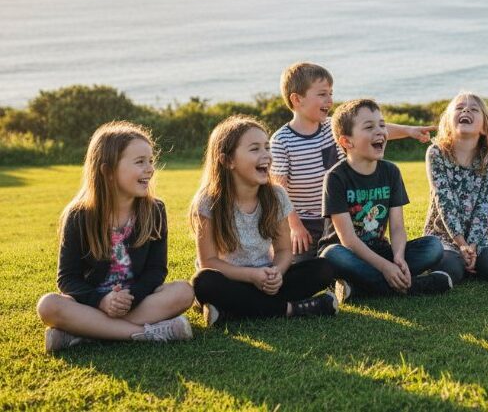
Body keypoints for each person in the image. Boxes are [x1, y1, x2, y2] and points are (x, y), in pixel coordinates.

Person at [36, 122, 194, 352]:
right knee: (48, 306)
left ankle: (85, 334)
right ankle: (145, 334)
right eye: (140, 162)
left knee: (183, 292)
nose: (150, 169)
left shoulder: (155, 210)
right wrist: (101, 301)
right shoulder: (79, 216)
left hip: (137, 301)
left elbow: (156, 271)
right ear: (107, 171)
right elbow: (67, 279)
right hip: (94, 304)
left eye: (151, 161)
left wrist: (131, 297)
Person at [270, 62, 434, 262]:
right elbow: (279, 190)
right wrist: (295, 226)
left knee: (351, 256)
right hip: (306, 223)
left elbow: (372, 130)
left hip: (348, 217)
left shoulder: (331, 126)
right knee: (304, 267)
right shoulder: (281, 141)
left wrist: (409, 131)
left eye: (331, 93)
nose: (330, 100)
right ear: (297, 99)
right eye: (322, 94)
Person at [191, 115, 337, 325]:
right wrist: (251, 276)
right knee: (203, 282)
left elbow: (284, 251)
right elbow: (208, 262)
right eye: (254, 149)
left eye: (267, 148)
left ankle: (231, 312)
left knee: (324, 268)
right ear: (227, 160)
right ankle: (293, 309)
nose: (266, 155)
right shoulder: (208, 201)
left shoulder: (276, 196)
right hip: (230, 279)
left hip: (267, 277)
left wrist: (276, 272)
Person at [318, 99, 452, 297]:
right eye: (369, 127)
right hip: (348, 253)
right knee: (331, 255)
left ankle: (359, 288)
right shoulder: (336, 178)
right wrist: (385, 268)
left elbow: (397, 227)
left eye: (382, 125)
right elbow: (349, 240)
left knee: (433, 247)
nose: (380, 131)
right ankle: (413, 286)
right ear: (347, 141)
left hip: (381, 250)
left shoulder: (391, 172)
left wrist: (398, 258)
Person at [423, 92, 488, 284]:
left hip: (479, 236)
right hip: (443, 234)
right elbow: (444, 202)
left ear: (483, 127)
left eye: (473, 109)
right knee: (451, 269)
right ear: (448, 122)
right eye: (459, 108)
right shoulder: (436, 153)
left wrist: (471, 245)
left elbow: (485, 206)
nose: (465, 110)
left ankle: (486, 258)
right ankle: (460, 261)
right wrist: (461, 244)